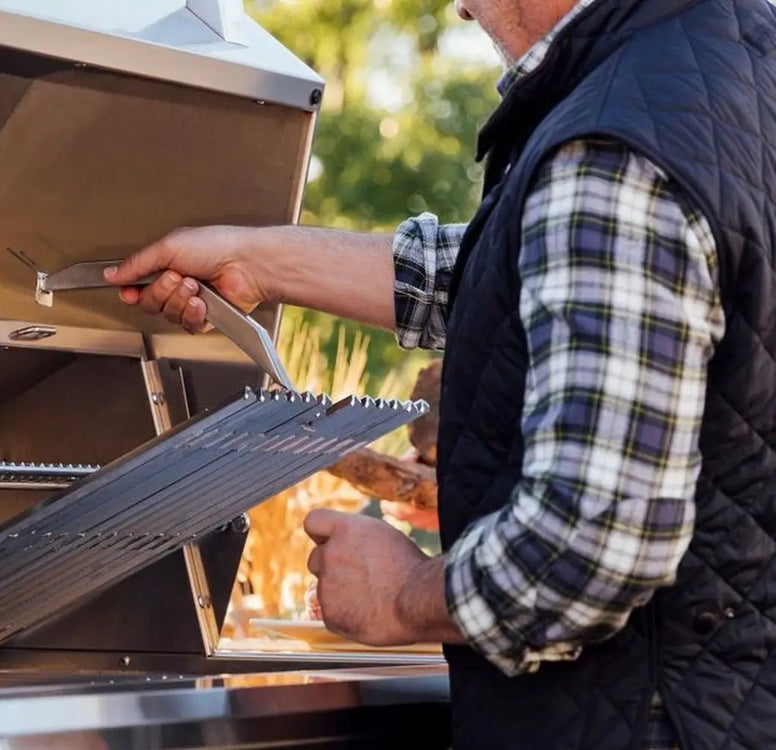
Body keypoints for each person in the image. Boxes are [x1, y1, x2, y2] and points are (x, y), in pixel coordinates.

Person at [106, 0, 776, 747]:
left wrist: (400, 596)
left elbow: (586, 546)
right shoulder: (735, 69)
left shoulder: (614, 153)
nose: (460, 10)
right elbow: (522, 271)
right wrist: (254, 260)